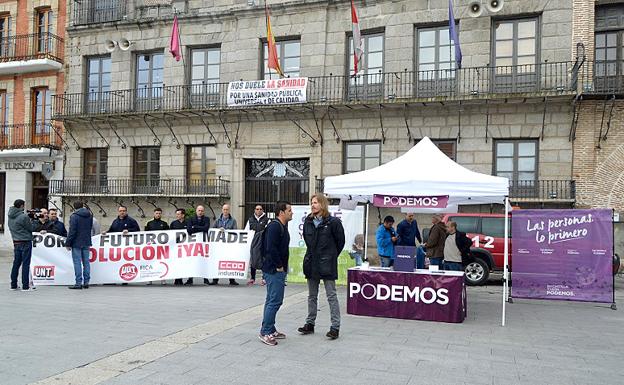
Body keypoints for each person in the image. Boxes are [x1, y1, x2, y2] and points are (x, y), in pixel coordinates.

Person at [298, 194, 345, 340]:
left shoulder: (333, 222)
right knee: (312, 296)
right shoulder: (308, 221)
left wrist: (330, 256)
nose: (313, 205)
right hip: (312, 263)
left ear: (323, 204)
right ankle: (310, 324)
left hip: (327, 264)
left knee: (331, 295)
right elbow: (307, 240)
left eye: (316, 203)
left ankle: (335, 327)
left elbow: (340, 242)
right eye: (312, 203)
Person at [259, 201, 292, 346]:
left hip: (276, 269)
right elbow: (270, 248)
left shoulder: (281, 226)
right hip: (273, 270)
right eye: (289, 210)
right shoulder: (274, 226)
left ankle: (270, 328)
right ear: (281, 212)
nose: (292, 213)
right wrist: (279, 266)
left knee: (271, 300)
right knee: (275, 301)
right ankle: (265, 332)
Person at [8, 199, 35, 291]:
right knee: (25, 264)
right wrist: (32, 219)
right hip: (25, 241)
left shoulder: (10, 216)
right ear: (21, 206)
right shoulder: (23, 216)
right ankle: (25, 286)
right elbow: (31, 228)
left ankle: (13, 285)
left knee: (16, 263)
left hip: (16, 241)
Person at [65, 201, 94, 290]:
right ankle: (86, 282)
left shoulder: (74, 216)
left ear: (74, 207)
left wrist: (68, 243)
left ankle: (78, 283)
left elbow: (72, 231)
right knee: (86, 262)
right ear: (83, 206)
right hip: (86, 241)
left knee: (77, 262)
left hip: (76, 242)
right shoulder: (89, 215)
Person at [210, 203, 240, 286]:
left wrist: (226, 230)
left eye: (227, 209)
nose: (225, 211)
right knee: (217, 261)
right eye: (224, 209)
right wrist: (218, 229)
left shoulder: (233, 220)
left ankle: (232, 280)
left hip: (229, 245)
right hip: (219, 245)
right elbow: (212, 230)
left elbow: (235, 232)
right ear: (222, 210)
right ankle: (215, 279)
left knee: (229, 260)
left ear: (229, 210)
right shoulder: (217, 220)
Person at [186, 205, 210, 285]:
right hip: (193, 244)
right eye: (199, 210)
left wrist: (195, 227)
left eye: (202, 211)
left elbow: (206, 228)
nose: (200, 212)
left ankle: (206, 279)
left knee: (204, 260)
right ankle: (190, 279)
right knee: (192, 260)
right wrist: (200, 228)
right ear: (196, 211)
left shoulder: (207, 219)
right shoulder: (190, 219)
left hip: (203, 244)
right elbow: (189, 230)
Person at [246, 204, 269, 286]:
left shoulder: (267, 220)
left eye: (260, 209)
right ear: (254, 210)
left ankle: (264, 278)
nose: (258, 210)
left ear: (262, 210)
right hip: (254, 243)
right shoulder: (250, 220)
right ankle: (252, 278)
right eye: (257, 209)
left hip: (263, 243)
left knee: (263, 259)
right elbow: (246, 231)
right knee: (253, 260)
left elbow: (268, 231)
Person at [170, 208, 189, 286]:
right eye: (176, 214)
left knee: (182, 263)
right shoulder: (173, 223)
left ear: (183, 215)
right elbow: (169, 234)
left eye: (178, 214)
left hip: (185, 247)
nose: (177, 215)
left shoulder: (188, 223)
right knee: (176, 263)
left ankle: (181, 278)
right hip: (175, 247)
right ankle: (176, 279)